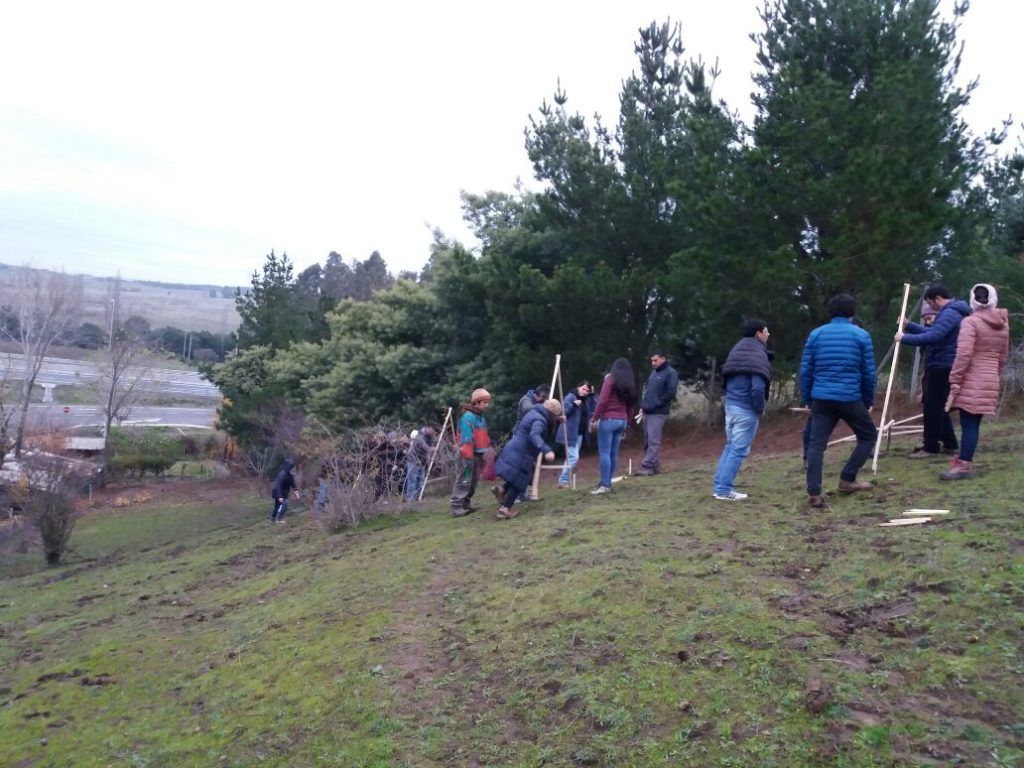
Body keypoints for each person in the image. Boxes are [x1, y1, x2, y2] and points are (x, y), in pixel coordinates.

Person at [800, 294, 878, 509]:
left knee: (816, 445)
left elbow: (806, 370)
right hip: (849, 397)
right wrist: (868, 399)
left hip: (821, 398)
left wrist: (807, 398)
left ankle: (814, 493)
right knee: (868, 435)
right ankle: (847, 478)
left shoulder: (815, 335)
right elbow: (868, 373)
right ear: (852, 312)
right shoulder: (861, 336)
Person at [940, 283, 1010, 480]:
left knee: (968, 423)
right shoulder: (1003, 323)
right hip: (990, 377)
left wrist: (954, 378)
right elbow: (1003, 356)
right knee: (974, 423)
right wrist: (994, 374)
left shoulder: (970, 322)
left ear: (973, 300)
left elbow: (964, 354)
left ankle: (964, 464)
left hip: (972, 377)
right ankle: (964, 457)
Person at [895, 284, 970, 458]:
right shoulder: (951, 312)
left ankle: (931, 447)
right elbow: (933, 332)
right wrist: (909, 325)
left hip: (942, 364)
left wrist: (904, 338)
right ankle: (950, 444)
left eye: (931, 303)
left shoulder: (950, 313)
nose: (931, 308)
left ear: (938, 298)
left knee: (933, 407)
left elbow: (934, 337)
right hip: (941, 363)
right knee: (938, 406)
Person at [713, 319, 773, 500]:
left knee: (730, 447)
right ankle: (724, 490)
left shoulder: (737, 350)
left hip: (731, 405)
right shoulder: (757, 354)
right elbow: (757, 387)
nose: (768, 334)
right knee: (738, 450)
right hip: (746, 409)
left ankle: (719, 486)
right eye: (766, 331)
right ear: (758, 333)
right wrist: (759, 407)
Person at [492, 399, 563, 519]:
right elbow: (535, 435)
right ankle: (504, 509)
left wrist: (559, 419)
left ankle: (502, 489)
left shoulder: (534, 412)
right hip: (522, 453)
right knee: (520, 482)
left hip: (514, 448)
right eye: (555, 416)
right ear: (551, 413)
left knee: (517, 477)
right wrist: (547, 450)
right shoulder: (540, 420)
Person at [589, 358, 637, 495]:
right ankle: (607, 481)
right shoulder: (629, 383)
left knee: (604, 453)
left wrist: (594, 418)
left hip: (608, 420)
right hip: (622, 420)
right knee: (613, 453)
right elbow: (630, 406)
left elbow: (603, 401)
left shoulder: (610, 379)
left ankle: (604, 485)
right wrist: (627, 422)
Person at [636, 352, 679, 476]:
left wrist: (657, 404)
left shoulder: (671, 373)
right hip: (647, 411)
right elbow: (648, 391)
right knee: (647, 440)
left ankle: (647, 466)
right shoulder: (653, 373)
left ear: (663, 359)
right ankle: (654, 466)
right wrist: (644, 405)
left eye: (655, 360)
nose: (653, 363)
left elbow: (670, 392)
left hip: (659, 412)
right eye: (652, 360)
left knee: (653, 440)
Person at [451, 388, 492, 517]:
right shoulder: (468, 417)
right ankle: (457, 506)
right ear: (477, 402)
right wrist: (468, 456)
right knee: (464, 479)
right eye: (485, 402)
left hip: (476, 454)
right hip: (466, 454)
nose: (487, 405)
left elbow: (483, 436)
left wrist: (486, 450)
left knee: (473, 480)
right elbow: (466, 439)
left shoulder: (480, 416)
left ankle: (466, 503)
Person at [555, 380, 592, 488]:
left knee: (570, 457)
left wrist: (592, 394)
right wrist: (574, 405)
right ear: (578, 387)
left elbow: (590, 411)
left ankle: (564, 480)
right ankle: (563, 479)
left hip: (579, 434)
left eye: (587, 390)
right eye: (583, 389)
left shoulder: (585, 400)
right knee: (574, 457)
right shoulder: (570, 397)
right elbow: (563, 413)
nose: (585, 392)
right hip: (569, 432)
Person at [403, 426, 436, 501]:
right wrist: (431, 449)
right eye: (431, 430)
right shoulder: (420, 436)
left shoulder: (429, 437)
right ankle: (410, 498)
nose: (432, 432)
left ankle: (419, 496)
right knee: (413, 479)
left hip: (422, 462)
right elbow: (424, 447)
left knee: (420, 480)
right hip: (413, 460)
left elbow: (429, 445)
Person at [270, 459, 299, 524]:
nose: (294, 469)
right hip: (278, 492)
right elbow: (278, 486)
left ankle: (273, 518)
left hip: (284, 493)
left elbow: (293, 483)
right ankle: (279, 519)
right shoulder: (282, 475)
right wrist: (280, 496)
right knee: (285, 505)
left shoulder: (290, 475)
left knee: (277, 506)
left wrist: (296, 491)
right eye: (292, 467)